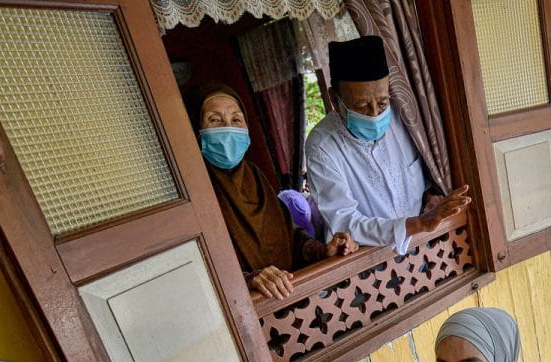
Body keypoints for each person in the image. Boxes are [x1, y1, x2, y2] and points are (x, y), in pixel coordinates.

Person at [191, 83, 358, 299]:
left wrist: (324, 250)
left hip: (294, 295)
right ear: (196, 128)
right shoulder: (194, 190)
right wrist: (250, 279)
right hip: (248, 306)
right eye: (215, 120)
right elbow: (197, 269)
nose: (228, 128)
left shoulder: (255, 177)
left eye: (236, 120)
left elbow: (292, 237)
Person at [306, 36, 470, 254]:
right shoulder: (322, 145)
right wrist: (417, 224)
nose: (375, 114)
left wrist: (429, 198)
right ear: (335, 99)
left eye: (382, 103)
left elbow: (424, 176)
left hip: (432, 248)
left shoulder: (404, 117)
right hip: (375, 261)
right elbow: (344, 221)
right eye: (362, 106)